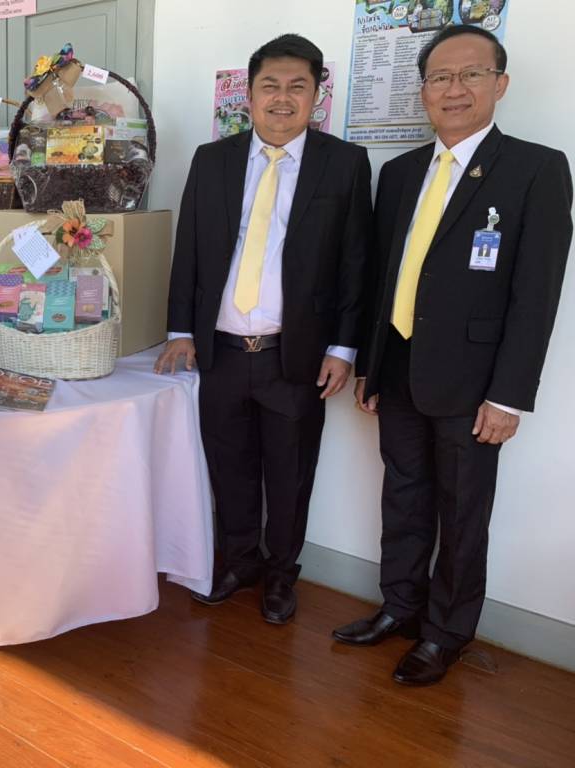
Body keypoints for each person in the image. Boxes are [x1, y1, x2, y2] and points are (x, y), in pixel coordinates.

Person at [333, 26, 573, 686]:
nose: (454, 89)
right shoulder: (399, 172)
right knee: (402, 496)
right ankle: (401, 607)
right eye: (440, 77)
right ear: (424, 91)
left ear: (500, 83)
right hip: (400, 370)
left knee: (463, 512)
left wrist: (509, 395)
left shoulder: (535, 168)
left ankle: (446, 633)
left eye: (472, 74)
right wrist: (372, 366)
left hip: (474, 383)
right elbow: (385, 277)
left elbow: (537, 293)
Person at [155, 34, 372, 624]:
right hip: (221, 351)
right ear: (248, 95)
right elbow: (189, 250)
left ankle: (281, 574)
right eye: (270, 86)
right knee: (229, 467)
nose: (282, 98)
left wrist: (343, 347)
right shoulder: (212, 160)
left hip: (295, 356)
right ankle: (239, 561)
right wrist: (180, 330)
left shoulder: (344, 164)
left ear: (316, 95)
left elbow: (356, 262)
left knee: (290, 473)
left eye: (297, 86)